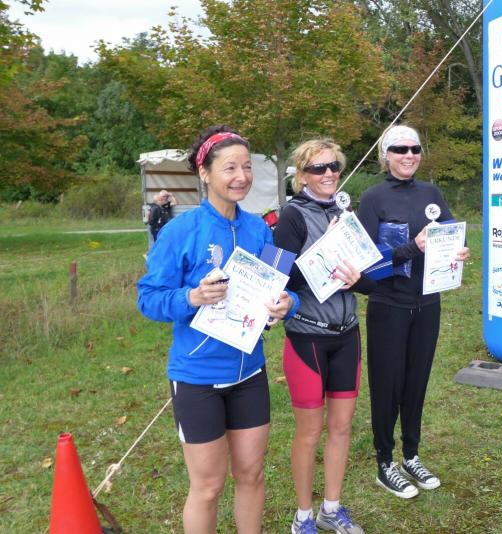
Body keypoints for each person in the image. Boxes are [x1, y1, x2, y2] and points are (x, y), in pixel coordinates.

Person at [137, 125, 298, 534]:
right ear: (204, 172)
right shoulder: (180, 231)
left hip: (249, 373)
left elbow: (278, 287)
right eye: (229, 167)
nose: (241, 176)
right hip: (198, 378)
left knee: (252, 475)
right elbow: (148, 298)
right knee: (208, 487)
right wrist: (191, 297)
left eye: (247, 167)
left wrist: (287, 304)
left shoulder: (258, 229)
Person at [357, 124, 469, 499]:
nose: (409, 155)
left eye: (415, 149)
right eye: (400, 149)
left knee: (416, 382)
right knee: (387, 385)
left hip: (427, 303)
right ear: (385, 155)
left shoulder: (431, 193)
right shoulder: (373, 198)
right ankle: (384, 462)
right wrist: (412, 248)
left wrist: (459, 249)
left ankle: (411, 455)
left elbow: (452, 231)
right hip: (388, 305)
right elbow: (366, 262)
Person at [273, 139, 373, 534]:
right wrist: (325, 249)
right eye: (318, 168)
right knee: (310, 432)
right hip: (307, 337)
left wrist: (359, 278)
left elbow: (369, 282)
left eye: (334, 166)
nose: (329, 173)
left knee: (342, 427)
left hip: (347, 334)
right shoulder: (292, 215)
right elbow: (282, 280)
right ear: (302, 175)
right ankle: (303, 516)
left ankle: (331, 509)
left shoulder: (346, 213)